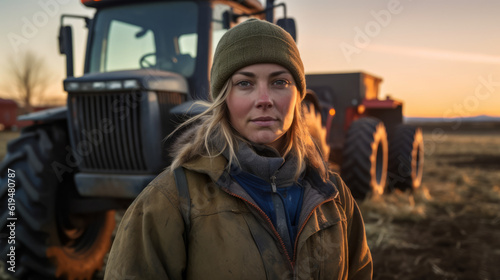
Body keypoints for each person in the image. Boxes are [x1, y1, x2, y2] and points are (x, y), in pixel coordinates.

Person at [104, 18, 372, 280]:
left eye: (280, 82)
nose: (264, 100)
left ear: (297, 95)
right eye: (245, 83)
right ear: (224, 98)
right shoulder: (170, 201)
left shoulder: (332, 194)